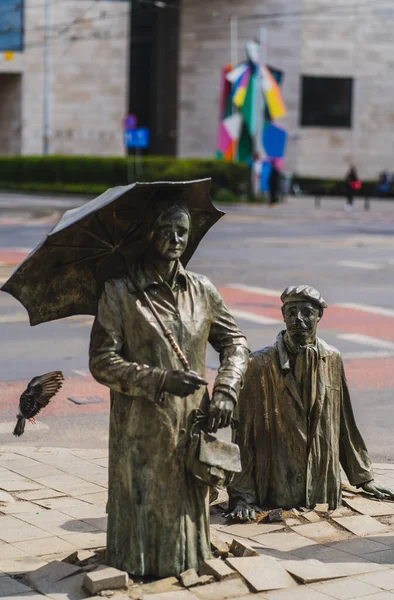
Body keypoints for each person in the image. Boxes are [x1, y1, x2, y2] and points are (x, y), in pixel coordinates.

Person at [89, 202, 249, 576]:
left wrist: (226, 388)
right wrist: (160, 380)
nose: (176, 239)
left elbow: (235, 342)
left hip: (192, 423)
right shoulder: (120, 291)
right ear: (148, 235)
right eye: (166, 230)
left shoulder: (202, 290)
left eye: (182, 231)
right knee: (145, 506)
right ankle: (143, 569)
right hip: (141, 428)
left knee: (188, 508)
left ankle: (189, 563)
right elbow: (101, 362)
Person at [227, 285, 394, 520]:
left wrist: (364, 477)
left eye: (307, 312)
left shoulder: (332, 358)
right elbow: (242, 435)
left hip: (322, 487)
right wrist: (241, 496)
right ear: (283, 315)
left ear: (320, 316)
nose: (298, 319)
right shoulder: (260, 364)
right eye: (291, 312)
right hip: (278, 486)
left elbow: (344, 423)